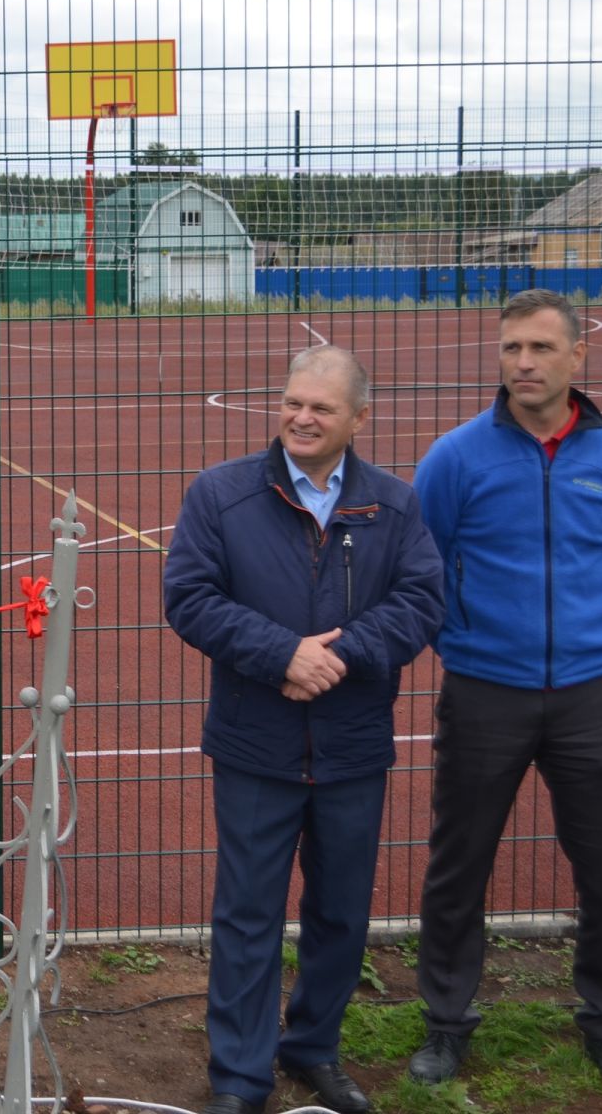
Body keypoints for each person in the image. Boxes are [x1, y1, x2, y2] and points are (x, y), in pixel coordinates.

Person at [164, 345, 444, 1114]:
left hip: (353, 745)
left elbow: (421, 602)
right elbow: (189, 596)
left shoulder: (394, 505)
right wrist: (279, 653)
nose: (302, 417)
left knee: (341, 910)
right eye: (293, 402)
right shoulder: (221, 495)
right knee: (249, 911)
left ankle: (313, 1045)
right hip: (257, 742)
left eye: (322, 407)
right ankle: (240, 1077)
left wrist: (341, 656)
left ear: (359, 417)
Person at [407, 289, 602, 1092]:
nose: (523, 363)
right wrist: (464, 644)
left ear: (578, 356)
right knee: (459, 864)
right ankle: (446, 1022)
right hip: (485, 692)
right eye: (510, 349)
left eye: (539, 348)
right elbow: (422, 573)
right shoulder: (456, 459)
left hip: (595, 695)